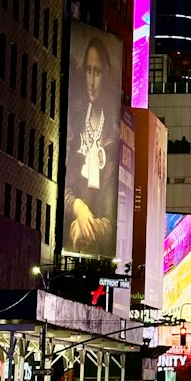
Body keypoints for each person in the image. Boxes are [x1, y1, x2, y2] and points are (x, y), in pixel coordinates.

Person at [65, 34, 119, 256]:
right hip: (66, 234)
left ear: (105, 75)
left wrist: (87, 226)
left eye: (97, 72)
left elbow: (112, 219)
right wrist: (78, 207)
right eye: (88, 70)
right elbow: (63, 188)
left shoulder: (114, 136)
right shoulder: (74, 124)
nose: (91, 81)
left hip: (95, 242)